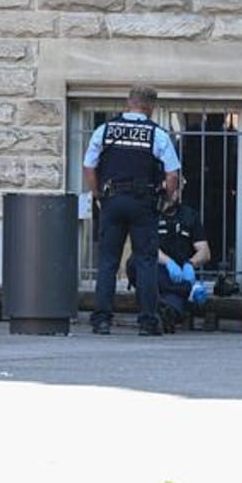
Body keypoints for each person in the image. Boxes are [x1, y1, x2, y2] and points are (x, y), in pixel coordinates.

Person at [83, 84, 182, 336]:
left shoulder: (104, 130)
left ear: (128, 102)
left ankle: (101, 320)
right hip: (143, 202)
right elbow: (172, 174)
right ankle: (148, 322)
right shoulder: (157, 134)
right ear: (151, 107)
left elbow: (89, 166)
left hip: (112, 199)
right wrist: (169, 199)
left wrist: (97, 194)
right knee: (146, 261)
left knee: (107, 262)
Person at [127, 189, 210, 334]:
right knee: (136, 262)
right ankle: (187, 290)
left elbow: (204, 252)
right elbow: (146, 246)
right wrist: (168, 262)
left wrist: (190, 264)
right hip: (155, 269)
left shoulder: (189, 216)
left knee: (172, 303)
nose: (169, 195)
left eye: (173, 190)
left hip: (179, 273)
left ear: (179, 192)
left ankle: (164, 314)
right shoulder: (149, 214)